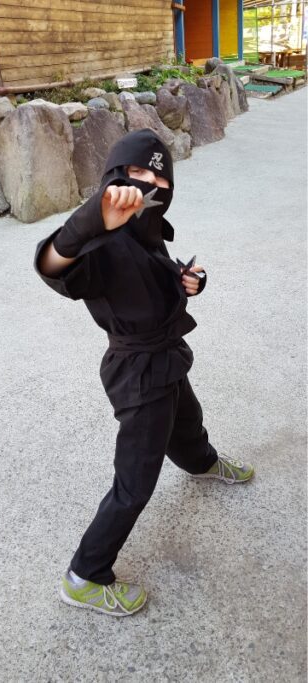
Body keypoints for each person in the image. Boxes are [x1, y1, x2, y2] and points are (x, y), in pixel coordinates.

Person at [34, 129, 254, 617]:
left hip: (166, 355)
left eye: (158, 177)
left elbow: (157, 276)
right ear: (114, 175)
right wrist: (91, 221)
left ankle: (201, 462)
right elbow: (52, 265)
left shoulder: (147, 229)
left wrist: (189, 282)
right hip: (137, 372)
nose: (148, 184)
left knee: (188, 420)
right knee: (135, 481)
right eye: (136, 172)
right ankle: (85, 576)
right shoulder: (101, 239)